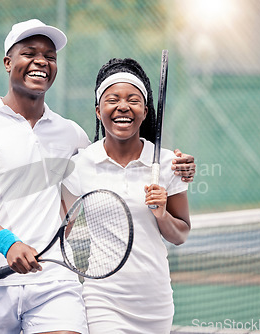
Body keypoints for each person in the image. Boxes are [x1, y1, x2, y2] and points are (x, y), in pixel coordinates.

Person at [0, 19, 195, 334]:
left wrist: (180, 168)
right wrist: (8, 244)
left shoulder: (72, 137)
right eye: (30, 53)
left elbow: (113, 161)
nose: (42, 61)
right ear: (8, 62)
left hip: (54, 284)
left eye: (50, 56)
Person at [62, 58, 191, 334]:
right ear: (98, 111)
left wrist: (162, 214)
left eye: (133, 100)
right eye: (113, 100)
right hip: (102, 300)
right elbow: (63, 228)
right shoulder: (80, 164)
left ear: (145, 111)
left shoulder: (169, 164)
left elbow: (180, 235)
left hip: (155, 302)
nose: (123, 106)